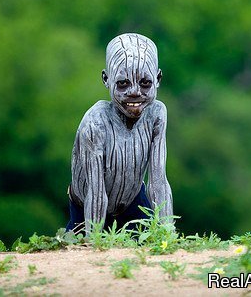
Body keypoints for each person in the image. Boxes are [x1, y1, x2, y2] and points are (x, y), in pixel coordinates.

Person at [66, 33, 173, 235]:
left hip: (132, 200)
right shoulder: (96, 121)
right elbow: (95, 191)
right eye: (123, 83)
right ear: (106, 79)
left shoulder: (157, 113)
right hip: (87, 206)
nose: (134, 92)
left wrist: (168, 234)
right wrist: (95, 240)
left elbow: (158, 180)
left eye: (145, 83)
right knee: (83, 258)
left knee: (152, 254)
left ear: (158, 79)